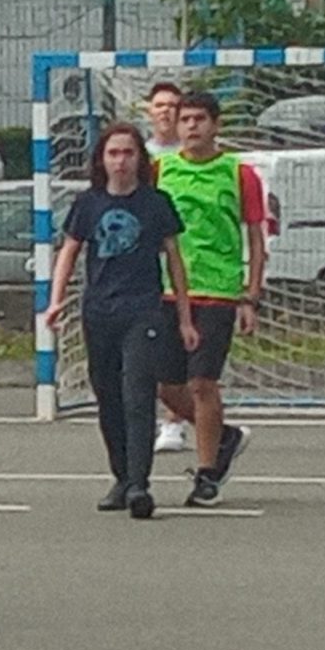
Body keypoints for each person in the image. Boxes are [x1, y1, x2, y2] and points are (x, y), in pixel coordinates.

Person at [42, 122, 198, 519]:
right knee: (108, 397)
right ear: (102, 160)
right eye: (113, 153)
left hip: (142, 310)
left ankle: (140, 485)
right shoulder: (88, 204)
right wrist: (55, 301)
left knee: (138, 395)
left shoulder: (155, 203)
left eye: (128, 153)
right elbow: (69, 252)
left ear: (139, 159)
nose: (121, 161)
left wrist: (184, 317)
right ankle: (121, 477)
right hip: (99, 312)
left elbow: (175, 262)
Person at [152, 89, 268, 508]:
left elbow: (256, 237)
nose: (192, 126)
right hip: (168, 291)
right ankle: (225, 435)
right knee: (166, 386)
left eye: (200, 119)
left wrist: (250, 297)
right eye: (185, 119)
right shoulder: (161, 169)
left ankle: (206, 474)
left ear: (215, 125)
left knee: (202, 382)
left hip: (218, 291)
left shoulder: (239, 174)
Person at [140, 79, 192, 456]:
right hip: (146, 264)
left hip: (190, 260)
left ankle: (177, 422)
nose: (166, 111)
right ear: (149, 110)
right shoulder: (139, 157)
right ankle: (170, 417)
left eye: (173, 105)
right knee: (152, 349)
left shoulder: (194, 156)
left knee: (184, 348)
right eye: (160, 105)